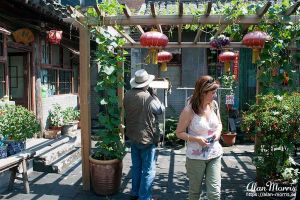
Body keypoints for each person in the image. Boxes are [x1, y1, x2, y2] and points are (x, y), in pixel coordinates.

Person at [176, 75, 223, 200]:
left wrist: (218, 133)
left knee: (214, 194)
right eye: (212, 93)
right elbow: (179, 132)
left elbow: (219, 123)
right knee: (195, 193)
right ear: (203, 92)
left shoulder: (214, 105)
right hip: (195, 157)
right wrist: (196, 139)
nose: (215, 95)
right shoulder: (189, 110)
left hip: (215, 154)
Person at [124, 69, 164, 200]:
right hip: (146, 138)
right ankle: (144, 197)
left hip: (133, 135)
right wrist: (155, 96)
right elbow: (160, 110)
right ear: (146, 84)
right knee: (148, 171)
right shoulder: (148, 98)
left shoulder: (127, 94)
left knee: (136, 167)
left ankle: (134, 193)